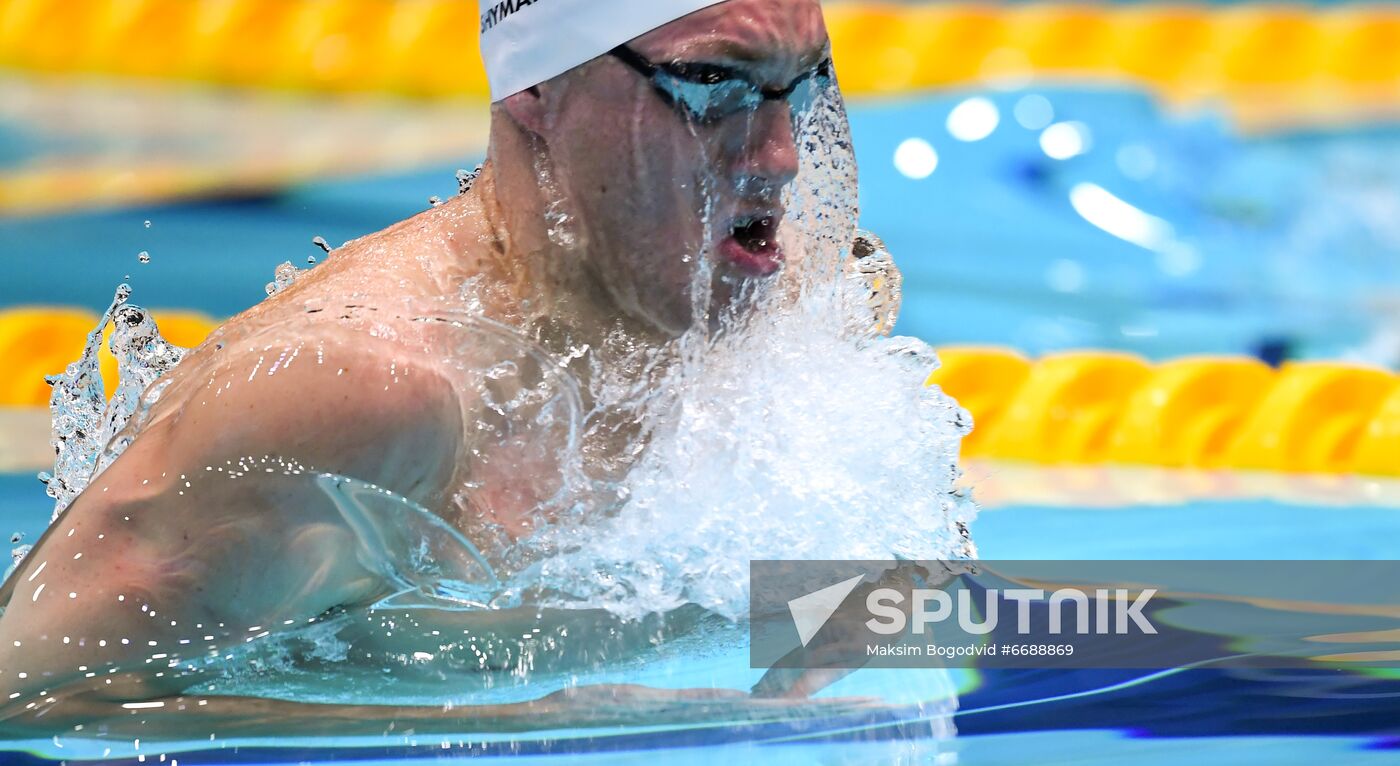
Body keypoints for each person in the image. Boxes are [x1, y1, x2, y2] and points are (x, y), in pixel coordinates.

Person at [0, 0, 875, 738]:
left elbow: (772, 597)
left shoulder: (782, 294)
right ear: (535, 87)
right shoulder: (360, 392)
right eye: (712, 84)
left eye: (799, 84)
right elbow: (28, 697)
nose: (780, 155)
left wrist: (932, 620)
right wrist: (536, 725)